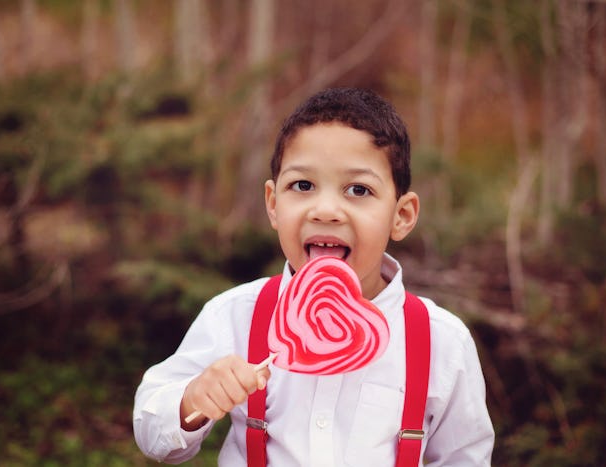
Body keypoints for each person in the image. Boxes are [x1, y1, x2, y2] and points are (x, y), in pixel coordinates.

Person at [133, 87, 495, 466]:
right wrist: (194, 399)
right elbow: (154, 437)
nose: (325, 210)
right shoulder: (235, 317)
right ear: (273, 205)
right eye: (303, 186)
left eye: (358, 189)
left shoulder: (441, 342)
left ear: (401, 215)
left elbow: (464, 458)